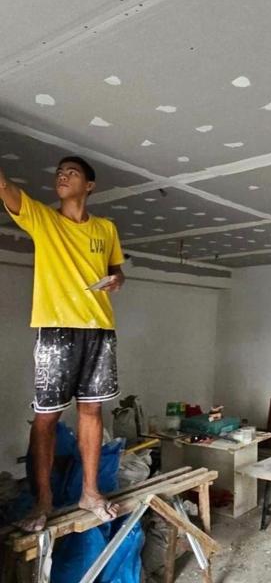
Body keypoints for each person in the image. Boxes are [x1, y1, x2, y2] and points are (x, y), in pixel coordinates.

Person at [0, 156, 125, 532]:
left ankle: (90, 493)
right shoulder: (43, 219)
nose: (62, 176)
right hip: (56, 330)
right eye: (58, 173)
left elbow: (116, 270)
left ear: (89, 185)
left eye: (72, 173)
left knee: (92, 411)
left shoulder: (106, 228)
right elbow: (5, 188)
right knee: (47, 417)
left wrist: (117, 280)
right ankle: (43, 501)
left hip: (99, 328)